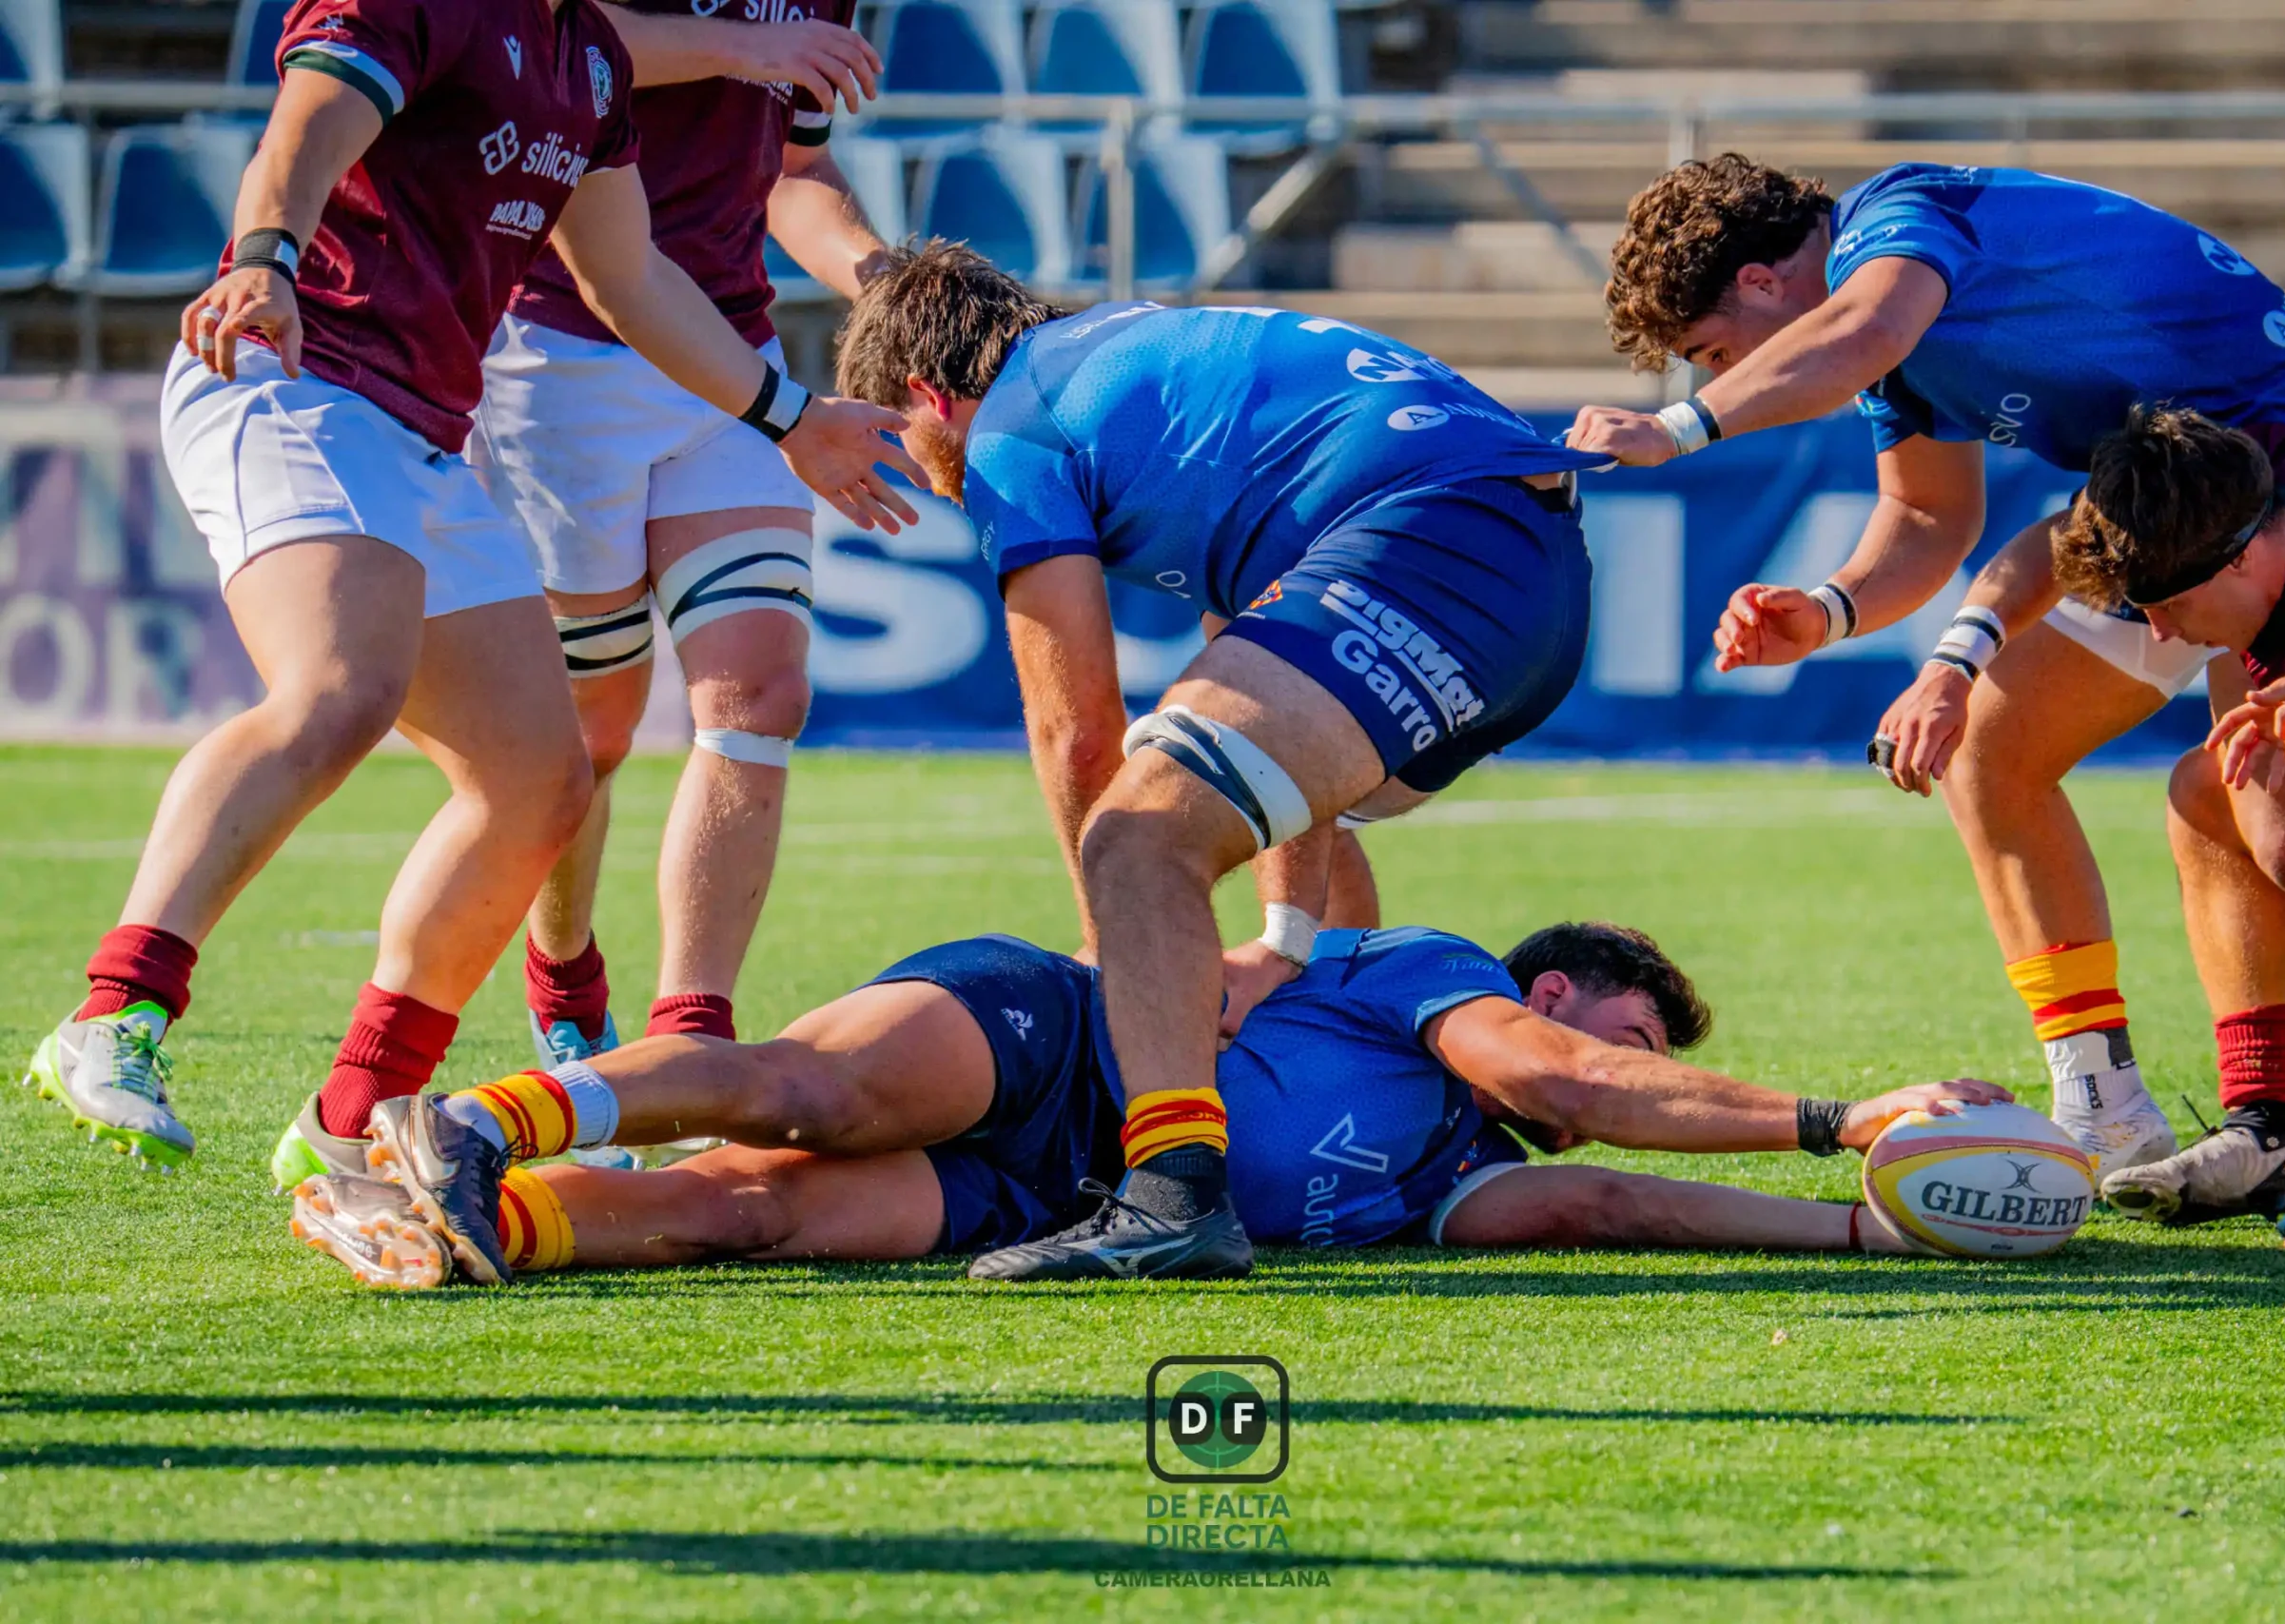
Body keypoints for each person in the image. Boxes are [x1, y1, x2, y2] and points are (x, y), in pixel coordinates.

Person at [22, 0, 920, 1178]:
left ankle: (357, 1118)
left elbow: (629, 279)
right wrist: (261, 262)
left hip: (424, 440)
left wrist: (789, 417)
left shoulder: (587, 56)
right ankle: (117, 1010)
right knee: (339, 690)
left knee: (541, 781)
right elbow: (299, 135)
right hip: (295, 377)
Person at [1571, 155, 2285, 1203]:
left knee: (2282, 826)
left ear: (1760, 282)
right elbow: (1926, 521)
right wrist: (1824, 611)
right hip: (2171, 517)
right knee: (2005, 752)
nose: (1714, 378)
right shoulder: (1881, 337)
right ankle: (2137, 1116)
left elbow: (1855, 339)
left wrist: (1676, 429)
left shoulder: (1898, 226)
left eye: (1710, 354)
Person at [816, 245, 1611, 1281]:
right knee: (1245, 764)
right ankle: (1334, 1034)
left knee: (1134, 838)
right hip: (1533, 586)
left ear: (928, 394)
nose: (914, 469)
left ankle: (1170, 1197)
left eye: (901, 437)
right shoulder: (1149, 359)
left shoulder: (1010, 428)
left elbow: (1076, 727)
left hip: (1433, 548)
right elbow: (1258, 681)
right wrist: (1285, 936)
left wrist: (1110, 958)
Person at [286, 920, 2009, 1287]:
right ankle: (497, 1114)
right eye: (1631, 1036)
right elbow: (1579, 1092)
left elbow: (1605, 1192)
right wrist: (1843, 1114)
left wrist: (1877, 1217)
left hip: (1063, 1195)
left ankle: (465, 1220)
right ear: (1553, 990)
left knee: (766, 1213)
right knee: (813, 1091)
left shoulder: (1473, 1177)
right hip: (1061, 1039)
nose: (1607, 1091)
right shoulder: (1437, 976)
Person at [473, 0, 891, 1088]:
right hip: (552, 360)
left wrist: (882, 277)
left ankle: (691, 1035)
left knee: (761, 694)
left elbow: (792, 170)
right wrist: (745, 45)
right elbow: (550, 53)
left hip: (731, 362)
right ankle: (564, 973)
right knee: (585, 741)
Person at [2044, 406, 2285, 1289]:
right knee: (2208, 790)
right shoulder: (2277, 455)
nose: (2165, 635)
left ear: (2245, 556)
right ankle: (2266, 1122)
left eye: (2171, 605)